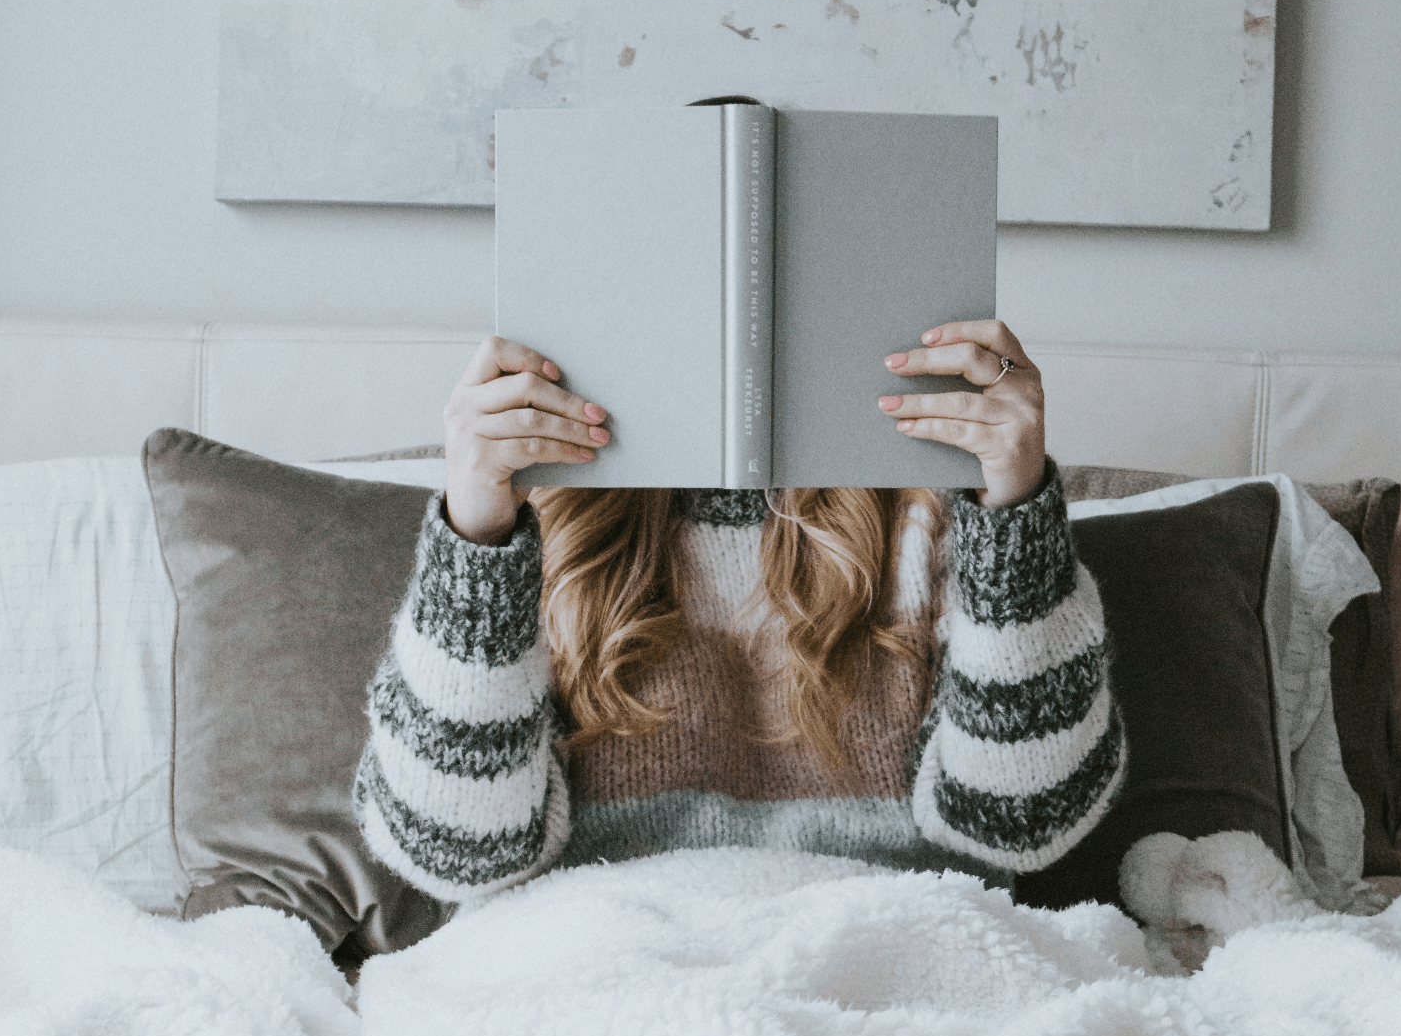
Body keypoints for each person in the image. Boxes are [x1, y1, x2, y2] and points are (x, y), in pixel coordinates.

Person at [353, 320, 1124, 903]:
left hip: (884, 947)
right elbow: (451, 848)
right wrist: (477, 540)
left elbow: (1026, 819)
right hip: (602, 960)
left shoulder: (939, 517)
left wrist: (1016, 515)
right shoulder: (540, 526)